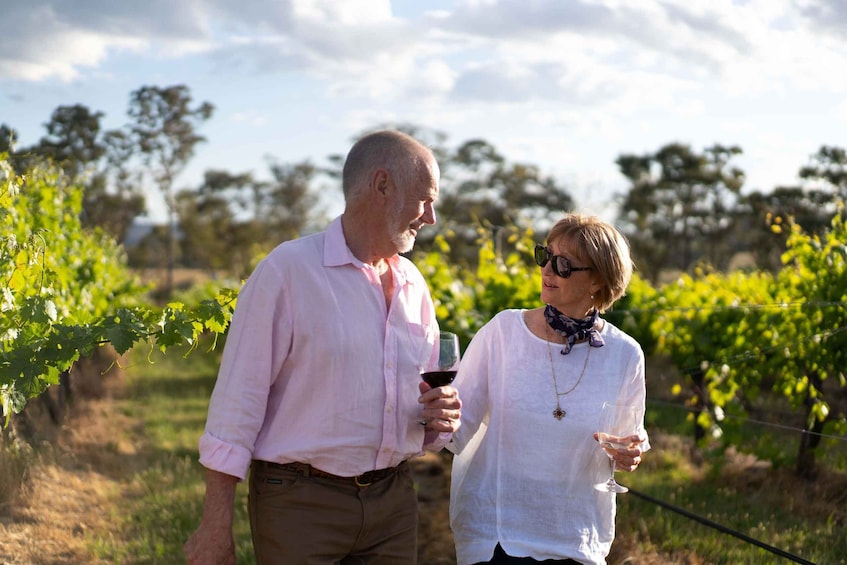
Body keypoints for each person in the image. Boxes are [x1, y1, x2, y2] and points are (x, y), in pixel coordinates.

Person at [183, 130, 462, 565]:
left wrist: (437, 414)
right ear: (382, 185)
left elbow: (419, 401)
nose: (430, 217)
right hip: (299, 504)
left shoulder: (413, 284)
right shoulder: (287, 271)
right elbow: (235, 406)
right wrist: (214, 526)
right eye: (425, 199)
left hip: (393, 504)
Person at [447, 213, 649, 565]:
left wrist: (629, 455)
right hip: (498, 538)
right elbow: (455, 426)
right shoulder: (502, 333)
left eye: (563, 265)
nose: (547, 270)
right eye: (545, 256)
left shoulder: (625, 354)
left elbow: (626, 441)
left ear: (598, 282)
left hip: (576, 539)